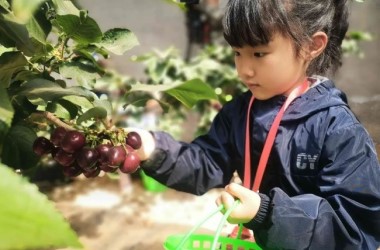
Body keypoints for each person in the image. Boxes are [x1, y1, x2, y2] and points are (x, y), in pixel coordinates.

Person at [127, 0, 380, 249]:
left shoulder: (337, 130)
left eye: (259, 53)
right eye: (238, 53)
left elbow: (356, 228)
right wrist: (153, 149)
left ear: (311, 46)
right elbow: (206, 162)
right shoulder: (240, 112)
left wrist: (266, 214)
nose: (244, 70)